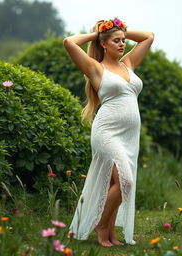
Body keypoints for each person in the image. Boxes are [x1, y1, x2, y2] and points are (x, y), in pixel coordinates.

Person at [63, 17, 154, 247]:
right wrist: (97, 34)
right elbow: (69, 43)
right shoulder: (96, 68)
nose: (122, 43)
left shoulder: (128, 64)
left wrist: (119, 29)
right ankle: (101, 225)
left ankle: (111, 232)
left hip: (129, 136)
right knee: (126, 181)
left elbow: (149, 37)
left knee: (118, 184)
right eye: (116, 41)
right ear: (104, 44)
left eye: (123, 40)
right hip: (107, 132)